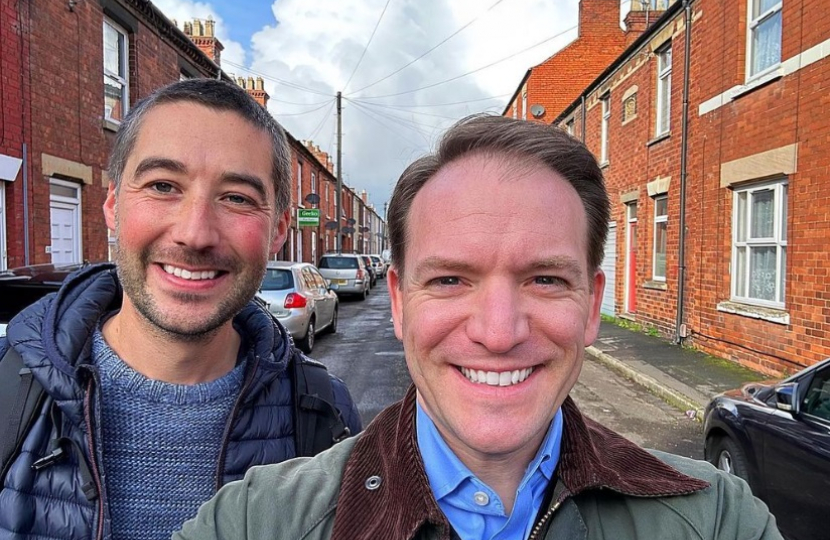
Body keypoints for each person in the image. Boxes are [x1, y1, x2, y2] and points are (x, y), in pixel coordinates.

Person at [173, 115, 782, 540]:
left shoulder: (715, 520)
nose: (498, 333)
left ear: (592, 305)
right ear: (399, 302)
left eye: (545, 279)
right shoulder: (257, 522)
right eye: (449, 280)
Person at [0, 79, 361, 540]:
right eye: (163, 185)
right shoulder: (9, 390)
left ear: (278, 231)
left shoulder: (325, 415)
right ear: (113, 205)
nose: (195, 233)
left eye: (236, 198)